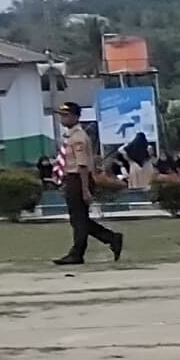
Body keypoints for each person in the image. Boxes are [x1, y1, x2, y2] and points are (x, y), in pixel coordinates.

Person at [48, 99, 122, 266]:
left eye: (66, 115)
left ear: (75, 117)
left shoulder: (78, 138)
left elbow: (82, 165)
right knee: (79, 219)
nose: (62, 119)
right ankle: (110, 238)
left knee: (79, 219)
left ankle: (78, 253)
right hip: (73, 178)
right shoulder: (71, 136)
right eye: (61, 115)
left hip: (78, 179)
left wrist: (85, 189)